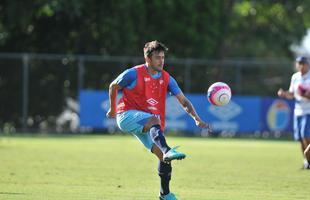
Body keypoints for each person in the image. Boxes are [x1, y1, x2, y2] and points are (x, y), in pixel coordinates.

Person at [106, 40, 210, 199]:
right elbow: (113, 86)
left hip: (147, 122)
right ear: (147, 59)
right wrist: (113, 110)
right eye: (157, 58)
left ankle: (165, 194)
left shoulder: (167, 78)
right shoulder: (134, 73)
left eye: (163, 57)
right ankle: (167, 150)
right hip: (126, 115)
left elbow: (184, 101)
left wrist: (197, 119)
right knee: (159, 130)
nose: (161, 61)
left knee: (163, 157)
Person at [277, 56, 310, 169]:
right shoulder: (295, 77)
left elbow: (305, 95)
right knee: (300, 138)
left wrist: (305, 95)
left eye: (303, 63)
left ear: (307, 65)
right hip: (298, 111)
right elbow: (292, 94)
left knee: (306, 136)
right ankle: (307, 162)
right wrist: (284, 94)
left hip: (308, 110)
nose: (300, 65)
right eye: (298, 63)